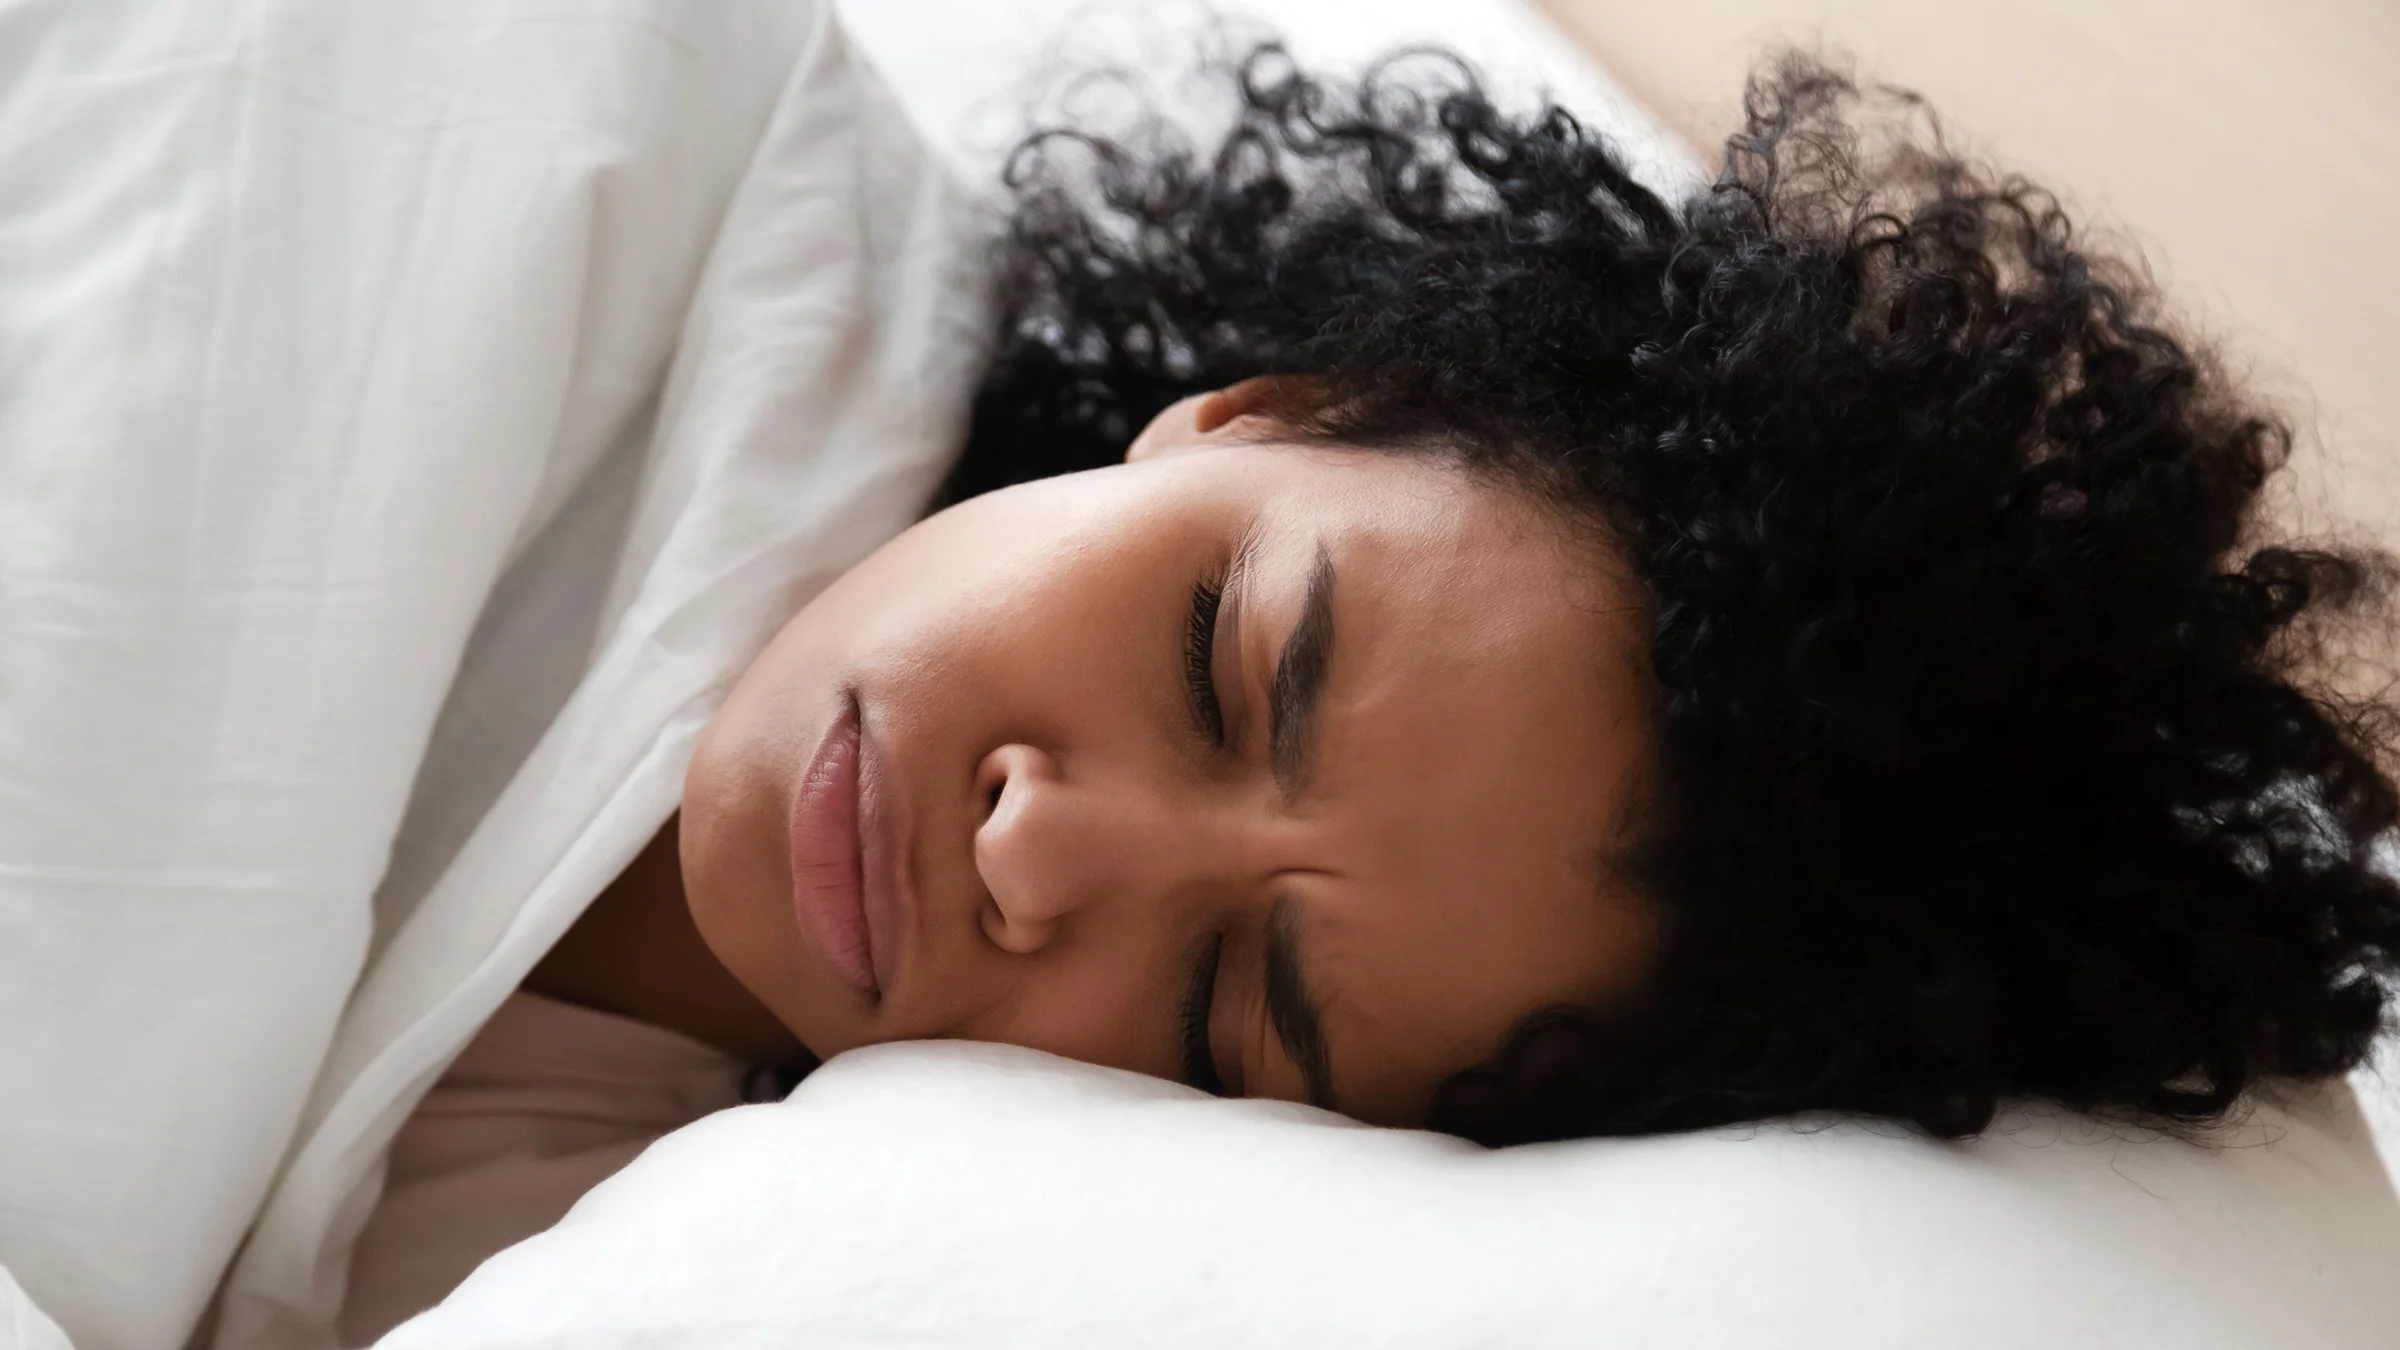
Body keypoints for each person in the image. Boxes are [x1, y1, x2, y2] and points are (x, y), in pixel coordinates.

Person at [341, 42, 2400, 1341]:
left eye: (1228, 1014)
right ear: (1277, 412)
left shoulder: (536, 1257)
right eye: (1220, 662)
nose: (1040, 847)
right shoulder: (569, 138)